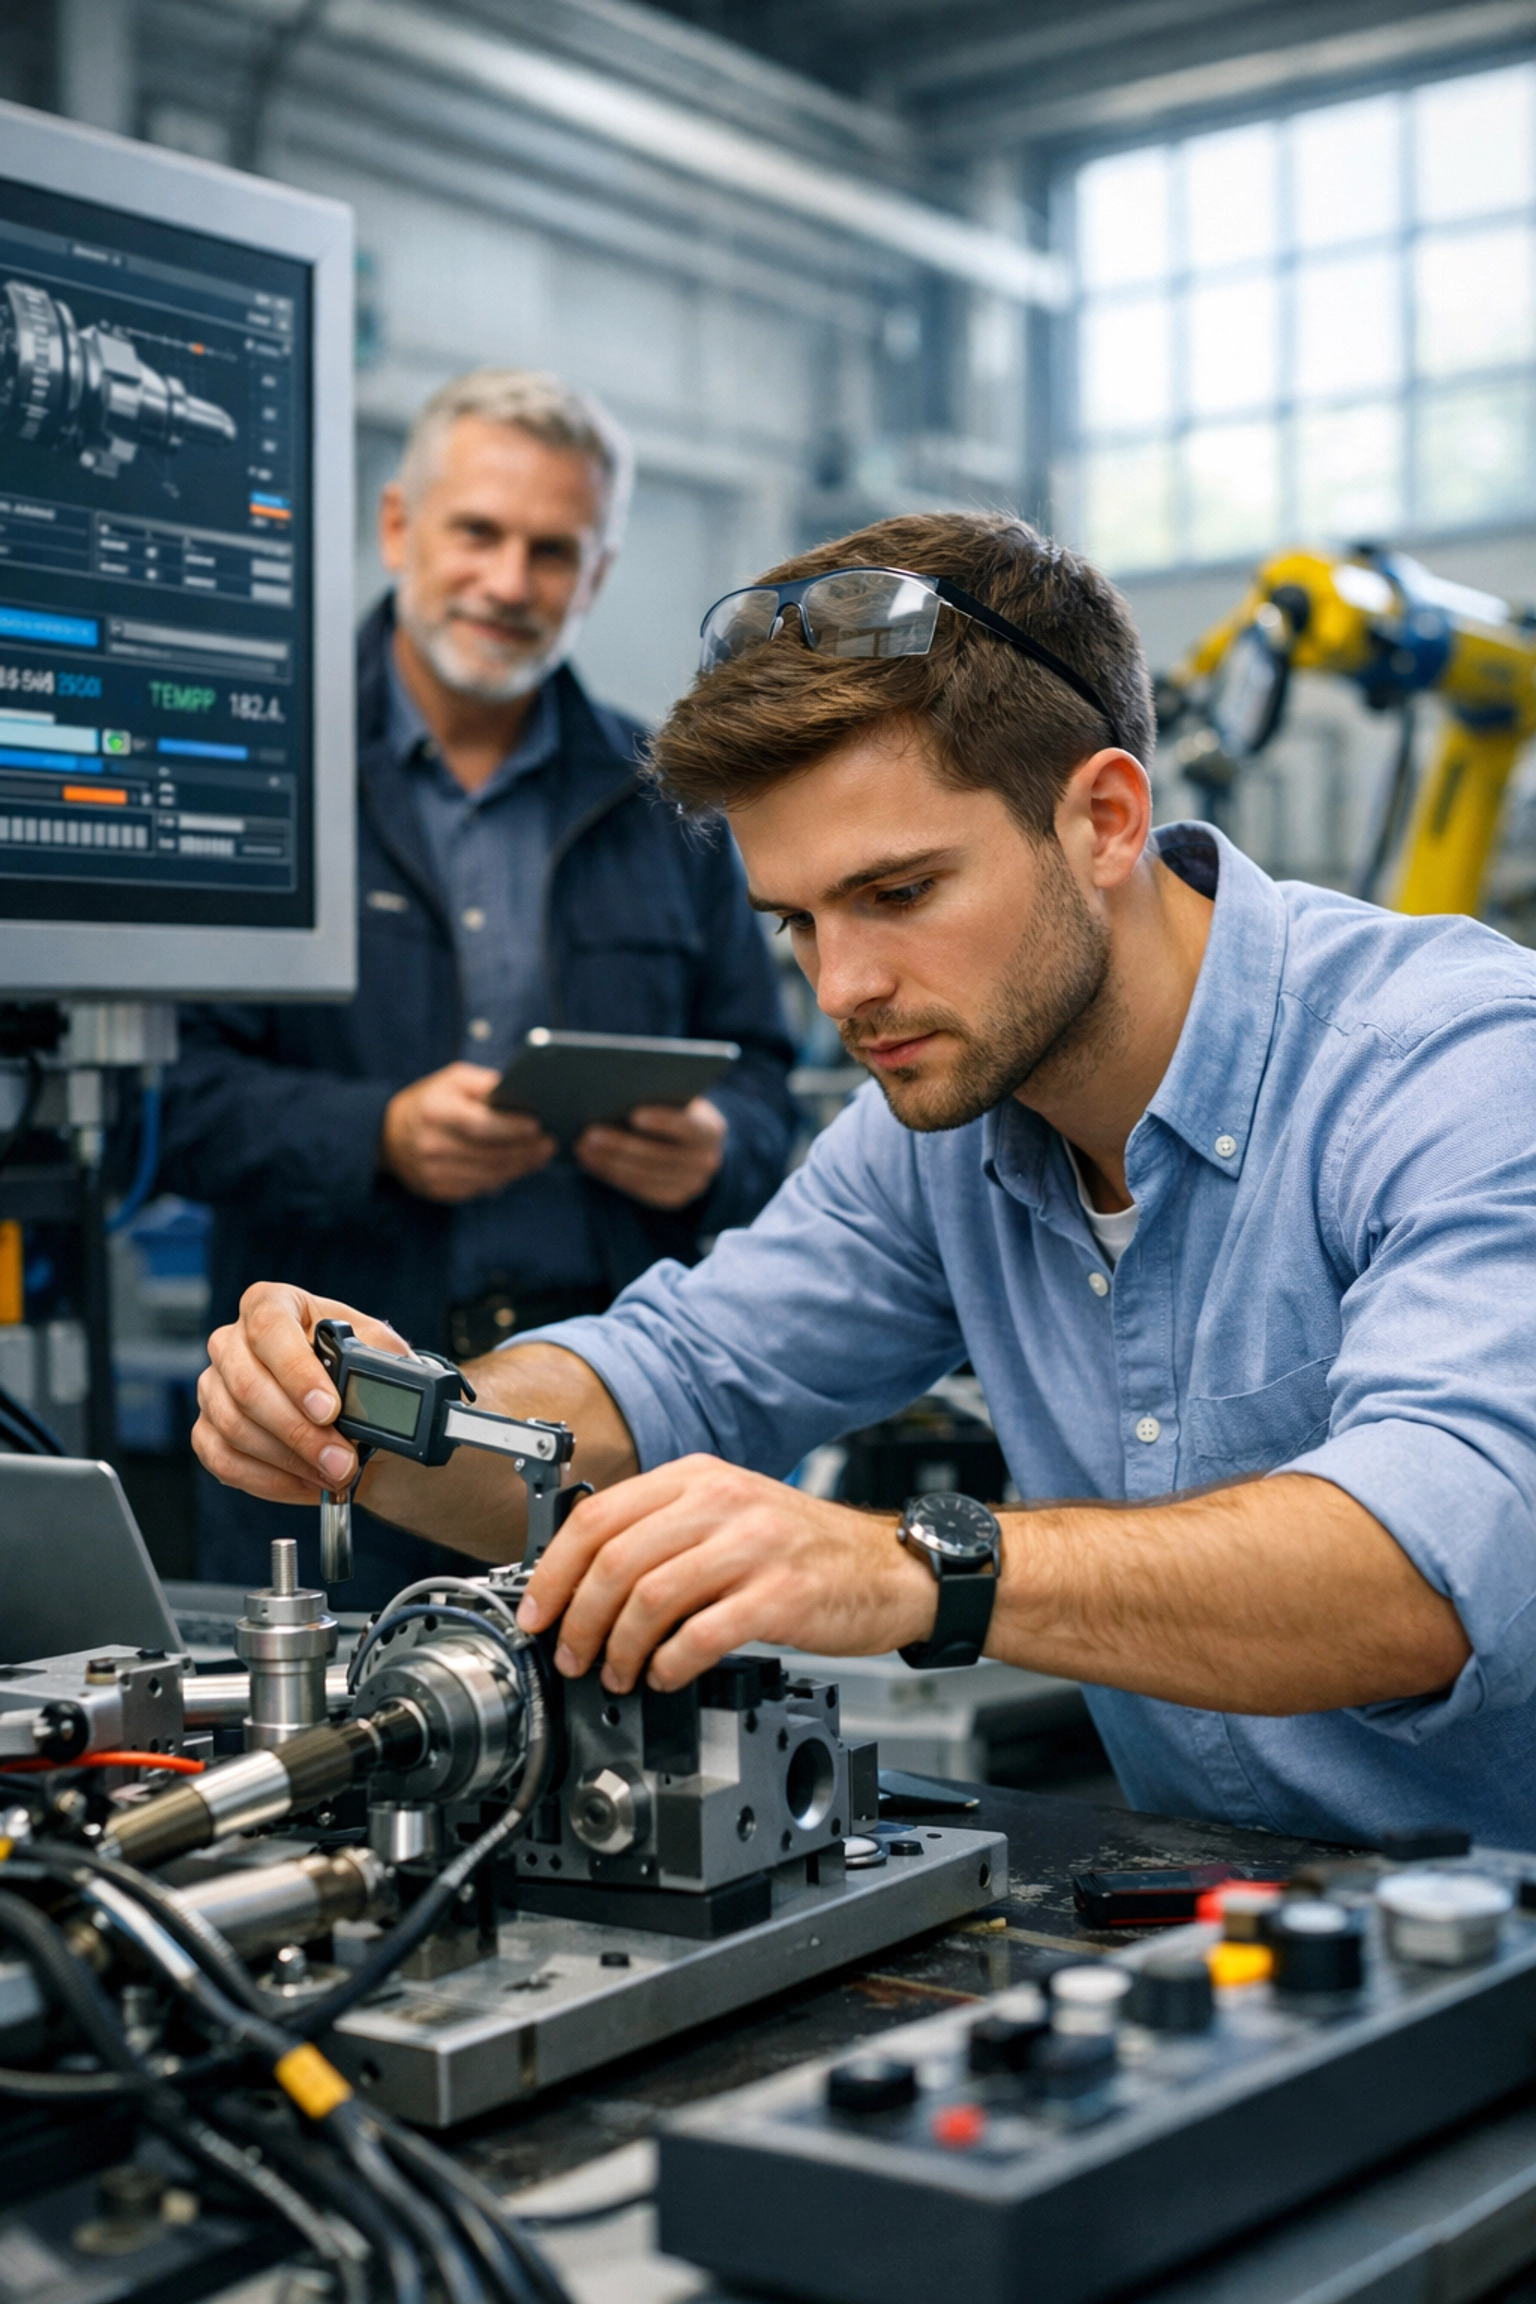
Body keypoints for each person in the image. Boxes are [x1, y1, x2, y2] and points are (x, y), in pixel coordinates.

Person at [191, 509, 1536, 1850]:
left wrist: (903, 1568)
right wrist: (379, 1419)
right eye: (799, 921)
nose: (842, 990)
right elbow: (673, 1378)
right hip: (1249, 1941)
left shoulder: (1458, 1065)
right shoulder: (940, 1130)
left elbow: (1431, 1569)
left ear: (1106, 819)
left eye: (896, 894)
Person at [161, 370, 796, 1604]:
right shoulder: (259, 774)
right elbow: (160, 1099)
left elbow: (770, 1086)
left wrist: (716, 1147)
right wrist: (377, 1136)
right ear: (401, 527)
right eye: (478, 533)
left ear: (596, 574)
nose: (510, 582)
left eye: (552, 550)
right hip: (331, 1427)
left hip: (597, 1443)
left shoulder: (670, 797)